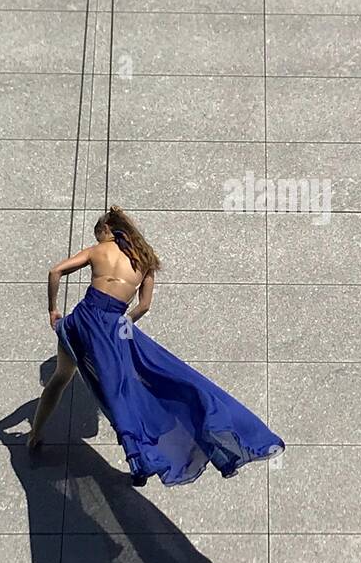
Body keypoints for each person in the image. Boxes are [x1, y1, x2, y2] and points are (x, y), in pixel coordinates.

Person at [27, 205, 284, 486]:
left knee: (60, 379)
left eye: (98, 233)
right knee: (130, 390)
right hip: (113, 327)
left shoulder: (98, 250)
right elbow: (144, 305)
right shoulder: (146, 261)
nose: (98, 238)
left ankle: (35, 435)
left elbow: (55, 272)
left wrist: (53, 310)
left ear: (107, 230)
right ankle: (147, 455)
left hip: (82, 323)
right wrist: (124, 323)